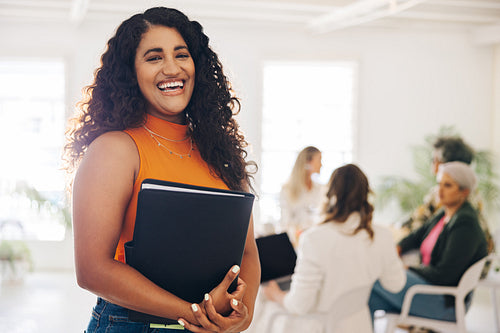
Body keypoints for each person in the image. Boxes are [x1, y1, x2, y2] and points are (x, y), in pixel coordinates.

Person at [63, 7, 260, 333]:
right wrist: (194, 313)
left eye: (181, 55)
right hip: (135, 324)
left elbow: (248, 252)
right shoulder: (115, 149)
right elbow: (92, 269)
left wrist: (244, 309)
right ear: (131, 72)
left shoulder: (219, 150)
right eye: (154, 58)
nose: (172, 68)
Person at [260, 164, 406, 333]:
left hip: (319, 326)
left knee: (263, 303)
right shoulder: (382, 236)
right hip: (359, 324)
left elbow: (299, 305)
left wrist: (276, 295)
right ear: (366, 195)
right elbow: (395, 284)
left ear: (330, 194)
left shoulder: (314, 238)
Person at [369, 161, 488, 323]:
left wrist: (408, 268)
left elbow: (444, 275)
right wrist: (398, 248)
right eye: (439, 184)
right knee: (367, 298)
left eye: (447, 185)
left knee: (375, 273)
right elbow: (416, 236)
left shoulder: (465, 223)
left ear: (464, 192)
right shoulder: (445, 214)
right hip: (428, 288)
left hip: (445, 302)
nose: (439, 190)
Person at [403, 136, 493, 253]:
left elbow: (420, 228)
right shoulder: (470, 194)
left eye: (434, 160)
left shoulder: (453, 198)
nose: (432, 165)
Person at [279, 146, 325, 245]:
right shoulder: (287, 190)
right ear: (307, 162)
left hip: (317, 241)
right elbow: (285, 222)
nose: (321, 165)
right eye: (319, 160)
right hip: (296, 243)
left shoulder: (321, 189)